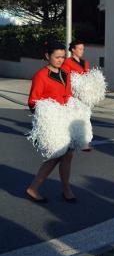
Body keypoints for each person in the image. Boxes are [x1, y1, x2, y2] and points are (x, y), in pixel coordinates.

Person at [26, 42, 77, 203]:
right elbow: (33, 101)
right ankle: (33, 188)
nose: (60, 60)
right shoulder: (40, 75)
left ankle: (66, 189)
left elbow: (68, 95)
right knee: (55, 157)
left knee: (68, 155)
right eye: (57, 57)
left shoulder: (65, 73)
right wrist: (48, 114)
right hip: (52, 123)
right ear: (47, 56)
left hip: (66, 121)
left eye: (63, 57)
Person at [61, 39, 92, 151]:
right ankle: (72, 140)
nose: (82, 51)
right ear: (73, 50)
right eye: (79, 49)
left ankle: (85, 142)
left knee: (85, 118)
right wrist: (70, 94)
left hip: (84, 97)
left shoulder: (85, 63)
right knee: (73, 118)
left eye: (83, 49)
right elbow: (67, 80)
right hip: (73, 96)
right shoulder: (67, 62)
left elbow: (87, 78)